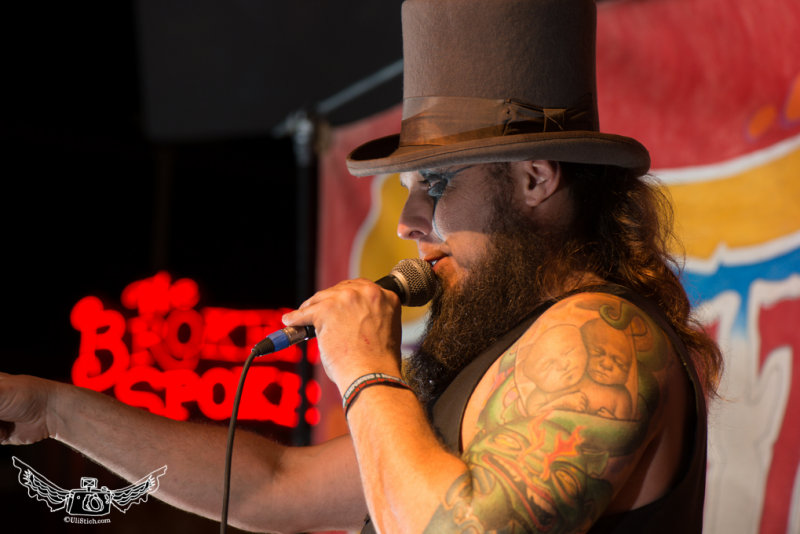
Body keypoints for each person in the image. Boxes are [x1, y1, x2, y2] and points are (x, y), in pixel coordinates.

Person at [0, 0, 722, 532]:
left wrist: (367, 369)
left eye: (437, 184)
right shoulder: (514, 348)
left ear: (536, 180)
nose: (410, 222)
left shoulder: (598, 334)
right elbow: (273, 487)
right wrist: (54, 409)